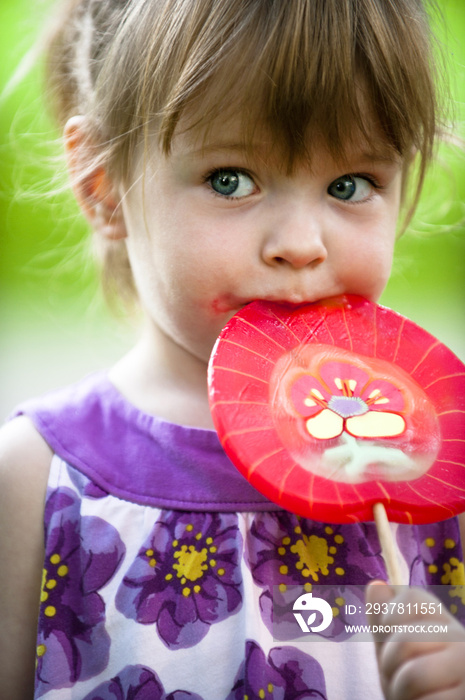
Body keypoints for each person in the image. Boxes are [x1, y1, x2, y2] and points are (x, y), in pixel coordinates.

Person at [1, 0, 464, 698]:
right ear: (103, 186)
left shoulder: (436, 474)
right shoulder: (33, 485)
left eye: (350, 185)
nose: (301, 244)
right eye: (231, 179)